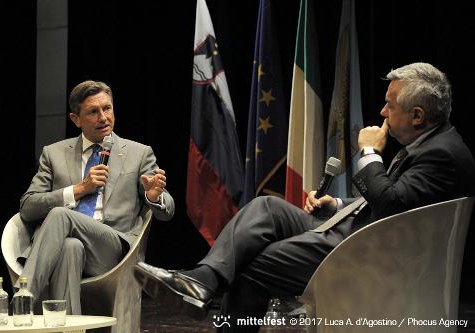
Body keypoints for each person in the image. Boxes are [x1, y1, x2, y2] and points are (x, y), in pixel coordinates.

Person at [133, 62, 475, 332]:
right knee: (267, 206)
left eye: (390, 105)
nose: (383, 112)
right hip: (357, 233)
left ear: (417, 115)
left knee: (254, 265)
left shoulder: (442, 155)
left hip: (369, 256)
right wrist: (338, 204)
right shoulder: (434, 143)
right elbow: (403, 202)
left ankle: (207, 290)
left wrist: (369, 152)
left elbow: (393, 206)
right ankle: (201, 280)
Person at [18, 80, 175, 315]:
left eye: (107, 108)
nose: (104, 117)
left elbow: (168, 209)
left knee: (61, 214)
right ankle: (69, 329)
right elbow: (28, 207)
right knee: (71, 247)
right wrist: (79, 189)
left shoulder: (139, 153)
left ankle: (22, 302)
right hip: (65, 246)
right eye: (93, 111)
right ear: (75, 119)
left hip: (113, 249)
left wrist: (154, 196)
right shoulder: (53, 154)